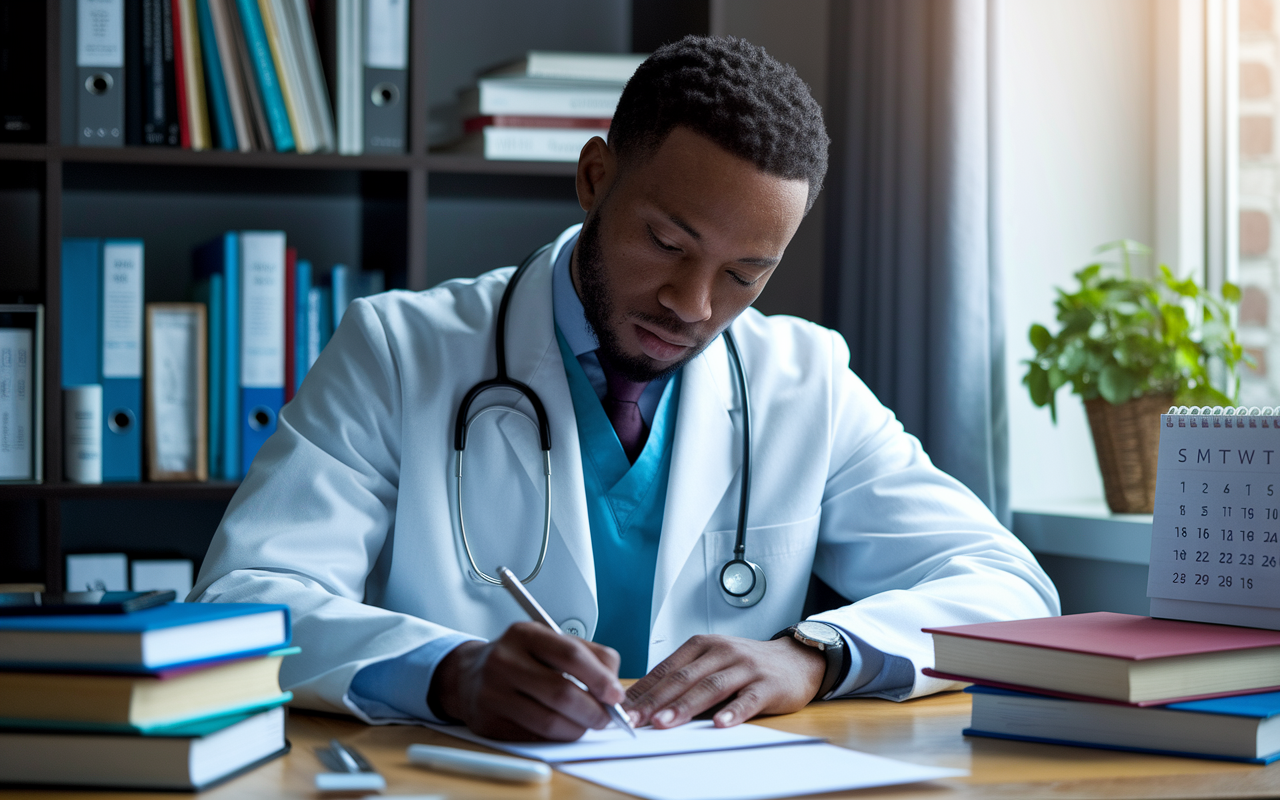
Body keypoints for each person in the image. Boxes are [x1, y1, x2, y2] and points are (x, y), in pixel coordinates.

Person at [191, 36, 1058, 742]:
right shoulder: (397, 350)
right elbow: (246, 603)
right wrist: (450, 674)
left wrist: (814, 655)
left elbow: (1009, 593)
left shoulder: (806, 381)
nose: (692, 305)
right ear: (596, 177)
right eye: (668, 244)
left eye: (744, 276)